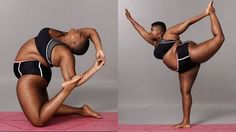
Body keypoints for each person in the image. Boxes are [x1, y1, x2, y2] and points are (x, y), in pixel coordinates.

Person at [125, 1, 224, 128]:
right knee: (185, 92)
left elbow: (187, 22)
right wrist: (131, 19)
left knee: (219, 38)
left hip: (189, 53)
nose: (149, 32)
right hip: (184, 67)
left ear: (159, 32)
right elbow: (142, 32)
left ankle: (212, 13)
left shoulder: (169, 34)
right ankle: (186, 122)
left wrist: (205, 14)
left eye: (152, 30)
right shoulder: (155, 43)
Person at [13, 27, 106, 127]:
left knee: (38, 120)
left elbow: (74, 81)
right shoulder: (63, 35)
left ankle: (65, 91)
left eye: (81, 35)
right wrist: (99, 49)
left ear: (75, 43)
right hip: (35, 71)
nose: (79, 31)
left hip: (32, 75)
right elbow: (91, 31)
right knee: (45, 107)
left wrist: (95, 68)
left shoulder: (65, 53)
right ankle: (81, 110)